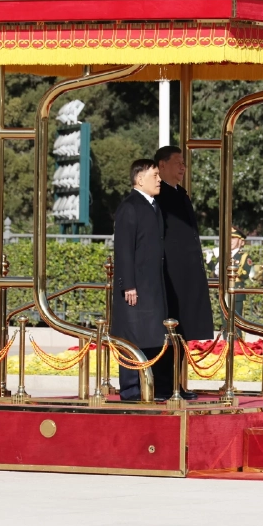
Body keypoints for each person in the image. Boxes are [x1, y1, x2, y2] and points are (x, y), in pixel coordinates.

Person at [111, 159, 170, 401]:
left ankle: (149, 388)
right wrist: (129, 285)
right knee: (131, 337)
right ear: (139, 179)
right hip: (136, 288)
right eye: (155, 174)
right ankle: (131, 390)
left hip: (152, 287)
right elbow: (124, 249)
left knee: (151, 337)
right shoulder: (130, 207)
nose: (159, 179)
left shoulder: (154, 206)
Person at [153, 146, 214, 354]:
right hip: (169, 274)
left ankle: (177, 384)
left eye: (184, 163)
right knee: (168, 331)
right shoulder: (157, 197)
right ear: (162, 165)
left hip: (186, 273)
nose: (182, 167)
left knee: (183, 330)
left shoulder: (181, 194)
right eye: (177, 162)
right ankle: (167, 385)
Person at [217, 226, 252, 325]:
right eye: (228, 238)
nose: (230, 240)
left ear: (241, 241)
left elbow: (244, 274)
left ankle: (237, 341)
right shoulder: (222, 255)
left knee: (236, 324)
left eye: (233, 238)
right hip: (224, 290)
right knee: (225, 324)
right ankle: (225, 341)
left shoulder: (244, 256)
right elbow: (213, 274)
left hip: (236, 291)